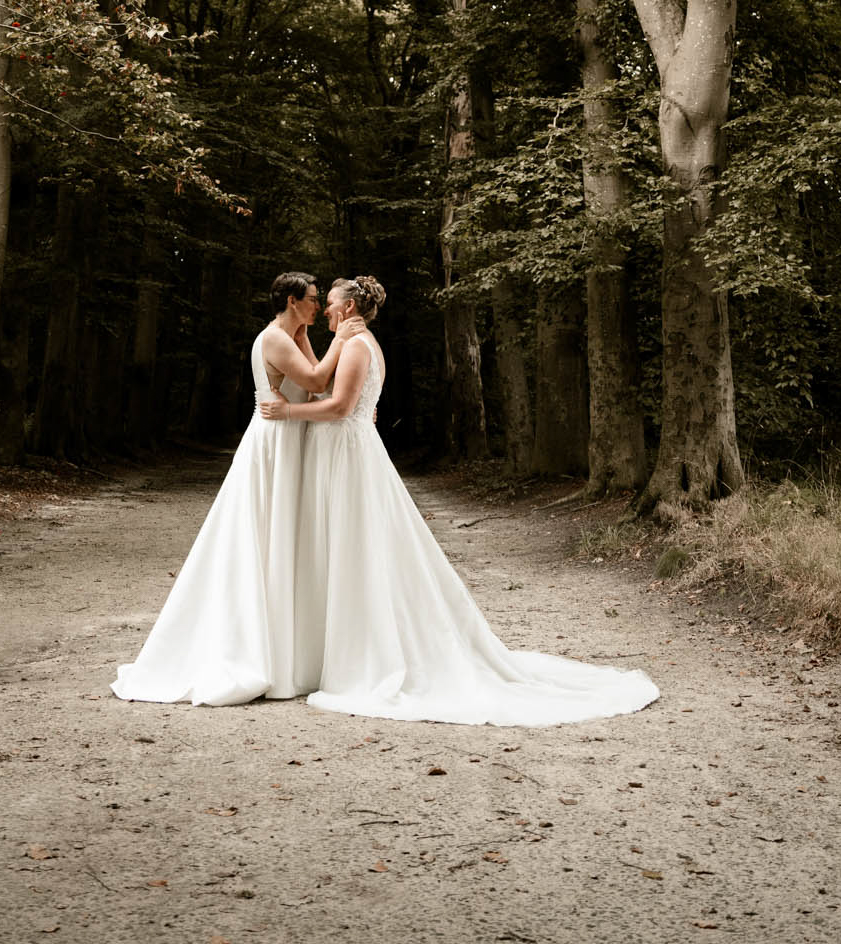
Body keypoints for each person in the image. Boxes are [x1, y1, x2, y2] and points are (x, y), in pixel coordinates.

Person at [261, 275, 660, 728]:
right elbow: (340, 397)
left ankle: (367, 655)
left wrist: (288, 411)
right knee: (354, 549)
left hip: (348, 459)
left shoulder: (355, 346)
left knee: (358, 549)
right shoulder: (358, 343)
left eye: (330, 304)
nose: (326, 310)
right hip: (348, 452)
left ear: (349, 308)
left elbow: (338, 408)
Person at [112, 271, 365, 705]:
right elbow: (318, 382)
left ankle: (291, 650)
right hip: (274, 443)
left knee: (283, 538)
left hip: (291, 440)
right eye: (310, 299)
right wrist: (343, 336)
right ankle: (254, 649)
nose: (317, 306)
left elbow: (315, 378)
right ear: (290, 300)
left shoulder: (296, 335)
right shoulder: (274, 339)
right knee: (264, 534)